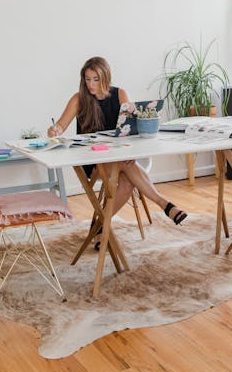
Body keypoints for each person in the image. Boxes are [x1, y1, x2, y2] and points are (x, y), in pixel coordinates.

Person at [48, 56, 188, 242]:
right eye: (87, 79)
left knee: (128, 181)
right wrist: (54, 130)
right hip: (93, 161)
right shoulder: (79, 99)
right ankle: (165, 205)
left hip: (120, 157)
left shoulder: (120, 94)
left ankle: (100, 226)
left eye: (95, 79)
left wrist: (130, 153)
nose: (91, 84)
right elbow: (59, 127)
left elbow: (133, 131)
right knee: (126, 165)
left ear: (105, 77)